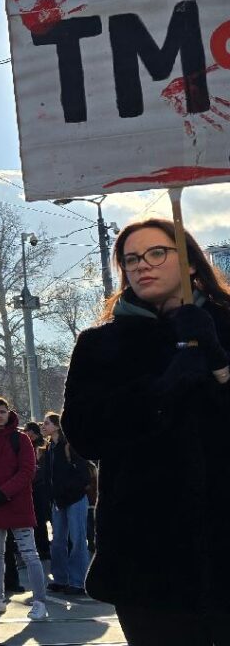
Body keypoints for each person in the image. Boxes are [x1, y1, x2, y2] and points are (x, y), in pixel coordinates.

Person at [63, 218, 230, 644]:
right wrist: (159, 389)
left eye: (157, 252)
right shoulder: (100, 345)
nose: (142, 266)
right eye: (131, 259)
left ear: (191, 263)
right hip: (149, 562)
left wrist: (218, 360)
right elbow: (85, 434)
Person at [0, 396, 49, 621]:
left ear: (8, 412)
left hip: (17, 505)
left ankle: (40, 601)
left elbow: (27, 470)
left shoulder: (21, 439)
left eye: (2, 411)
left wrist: (4, 491)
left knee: (29, 554)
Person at [42, 412, 89, 596]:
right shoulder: (49, 448)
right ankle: (60, 579)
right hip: (58, 501)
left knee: (77, 540)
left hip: (75, 499)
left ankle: (78, 582)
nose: (43, 426)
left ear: (57, 426)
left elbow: (83, 475)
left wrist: (67, 491)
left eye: (47, 423)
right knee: (58, 541)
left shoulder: (69, 446)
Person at [23, 420, 52, 560]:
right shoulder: (30, 445)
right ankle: (43, 548)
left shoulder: (41, 447)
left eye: (26, 431)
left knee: (40, 520)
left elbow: (42, 470)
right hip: (37, 488)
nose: (24, 433)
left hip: (40, 488)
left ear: (32, 433)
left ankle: (44, 549)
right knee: (39, 521)